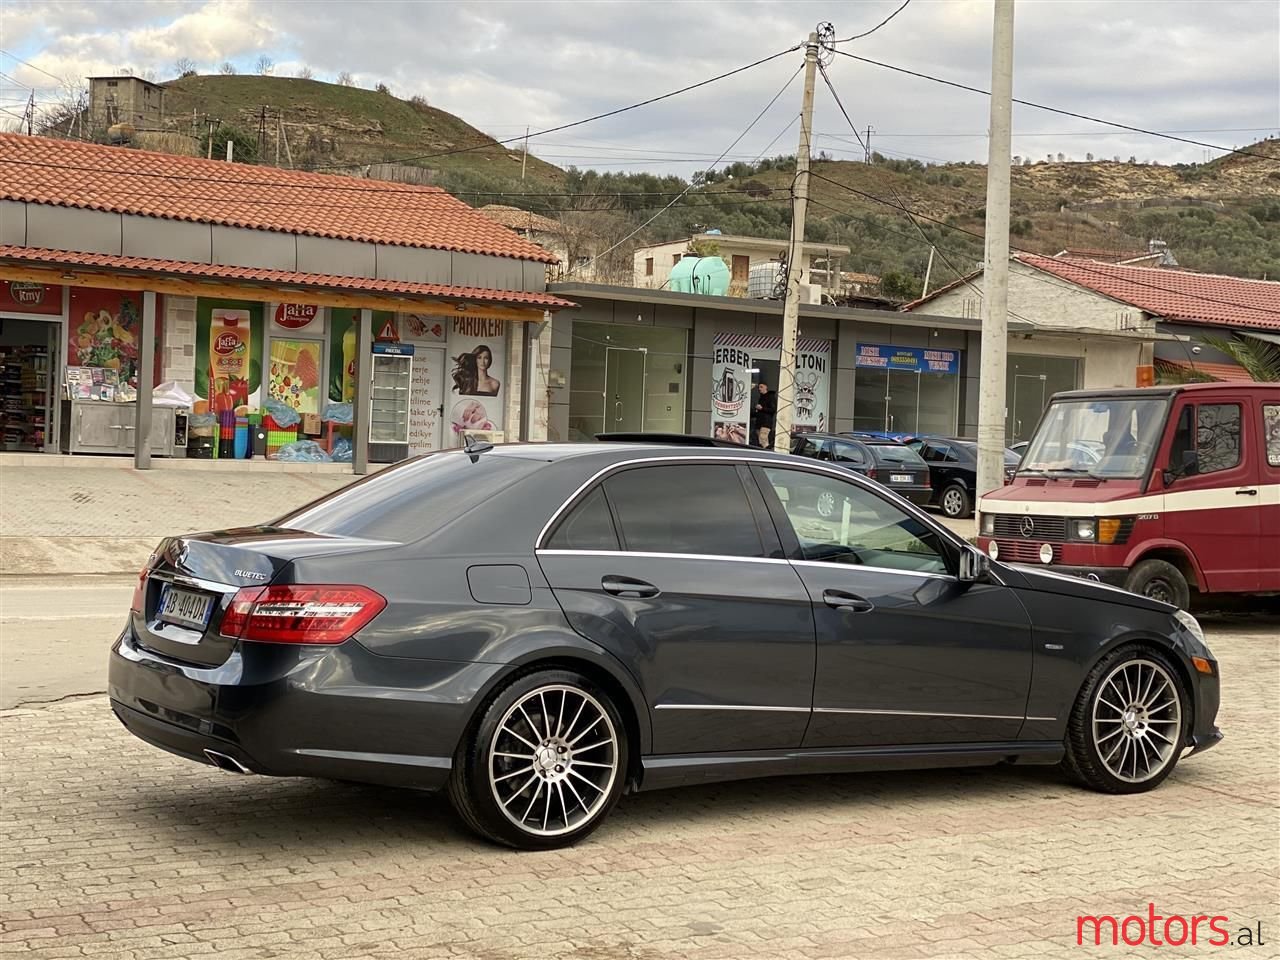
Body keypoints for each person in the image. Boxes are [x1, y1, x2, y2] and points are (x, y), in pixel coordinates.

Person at [753, 381, 776, 449]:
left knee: (763, 439)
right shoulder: (761, 397)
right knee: (760, 440)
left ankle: (768, 452)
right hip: (759, 422)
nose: (759, 389)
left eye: (761, 387)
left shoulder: (771, 397)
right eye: (759, 387)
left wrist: (762, 408)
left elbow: (773, 410)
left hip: (766, 423)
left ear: (766, 387)